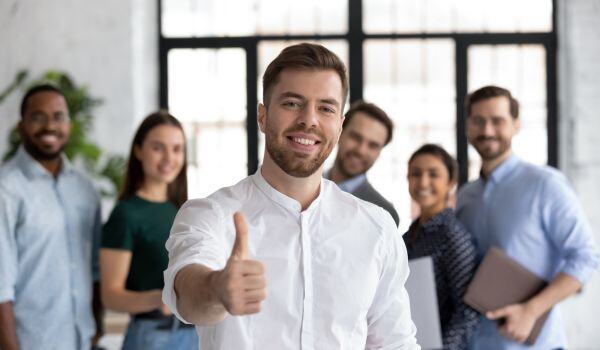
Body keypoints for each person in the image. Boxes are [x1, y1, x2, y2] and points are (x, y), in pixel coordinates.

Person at [162, 43, 419, 349]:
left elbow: (395, 342)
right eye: (292, 103)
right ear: (262, 116)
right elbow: (188, 296)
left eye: (325, 108)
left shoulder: (377, 228)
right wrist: (217, 289)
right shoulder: (210, 215)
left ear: (339, 125)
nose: (309, 120)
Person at [456, 85, 599, 349]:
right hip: (475, 344)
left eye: (497, 121)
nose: (487, 131)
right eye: (478, 121)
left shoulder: (546, 185)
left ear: (516, 124)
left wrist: (531, 310)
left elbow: (585, 256)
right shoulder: (464, 197)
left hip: (533, 345)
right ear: (468, 126)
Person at [0, 84, 102, 349]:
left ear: (69, 125)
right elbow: (1, 289)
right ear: (21, 127)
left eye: (58, 117)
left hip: (81, 339)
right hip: (32, 341)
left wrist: (95, 331)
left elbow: (94, 269)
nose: (49, 126)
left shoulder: (85, 189)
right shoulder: (6, 189)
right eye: (38, 117)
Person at [100, 111, 198, 350]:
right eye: (158, 148)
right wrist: (160, 297)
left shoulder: (183, 210)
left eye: (176, 149)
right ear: (138, 150)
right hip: (153, 338)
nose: (169, 158)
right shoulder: (126, 214)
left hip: (193, 333)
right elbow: (110, 296)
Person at [404, 144, 479, 350]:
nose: (423, 182)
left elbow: (467, 311)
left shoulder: (452, 236)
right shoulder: (407, 237)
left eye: (433, 174)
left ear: (451, 183)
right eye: (415, 174)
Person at [327, 100, 400, 226]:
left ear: (379, 152)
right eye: (355, 137)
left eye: (373, 145)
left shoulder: (385, 214)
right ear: (340, 132)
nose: (361, 150)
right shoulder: (304, 187)